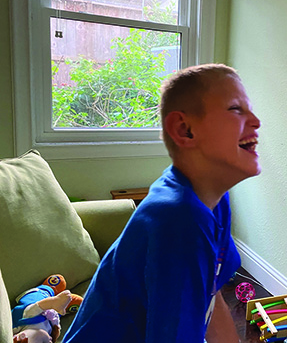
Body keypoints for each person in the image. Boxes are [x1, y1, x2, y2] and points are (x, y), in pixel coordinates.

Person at [63, 64, 261, 342]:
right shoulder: (179, 220)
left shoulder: (215, 199)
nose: (255, 121)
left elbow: (212, 293)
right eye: (235, 109)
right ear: (185, 130)